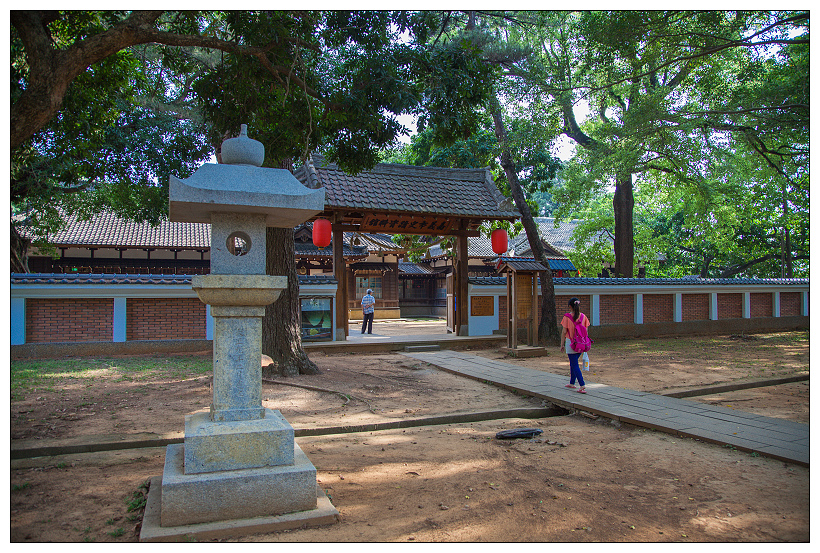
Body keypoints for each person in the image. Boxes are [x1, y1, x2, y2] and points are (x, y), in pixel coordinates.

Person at [560, 297, 590, 393]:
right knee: (573, 363)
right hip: (582, 344)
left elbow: (564, 332)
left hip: (571, 343)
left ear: (570, 306)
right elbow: (586, 331)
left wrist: (562, 344)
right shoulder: (584, 317)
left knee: (574, 364)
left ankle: (582, 385)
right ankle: (572, 382)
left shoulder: (567, 317)